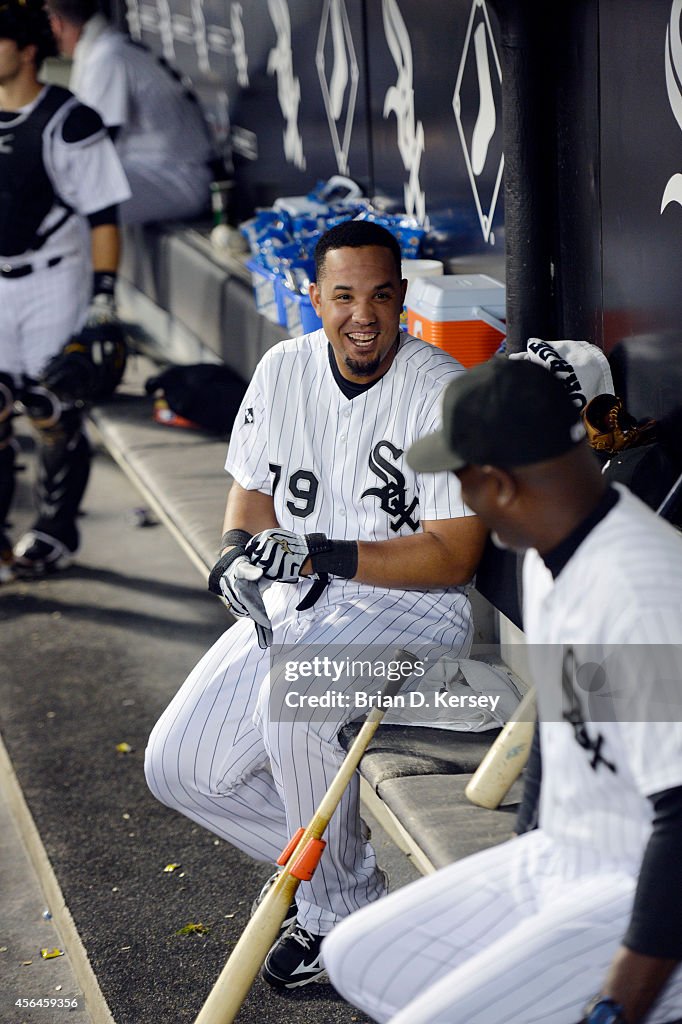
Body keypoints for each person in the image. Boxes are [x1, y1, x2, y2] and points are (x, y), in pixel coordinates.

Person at [144, 220, 488, 989]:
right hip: (299, 598)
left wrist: (326, 552)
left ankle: (340, 921)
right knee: (179, 768)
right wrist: (235, 554)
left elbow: (455, 555)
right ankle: (363, 896)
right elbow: (251, 497)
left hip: (414, 610)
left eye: (378, 296)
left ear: (401, 298)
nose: (361, 315)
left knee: (294, 702)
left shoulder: (441, 391)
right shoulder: (282, 367)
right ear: (315, 297)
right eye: (343, 295)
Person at [322, 356, 682, 1024]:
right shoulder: (555, 550)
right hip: (568, 856)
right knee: (357, 956)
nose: (460, 501)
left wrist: (617, 1008)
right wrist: (524, 859)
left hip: (641, 893)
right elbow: (560, 723)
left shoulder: (644, 590)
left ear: (497, 485)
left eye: (460, 481)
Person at [0, 0, 130, 578]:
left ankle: (55, 531)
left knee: (50, 407)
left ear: (27, 50)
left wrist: (103, 298)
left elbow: (105, 215)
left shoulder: (69, 118)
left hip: (54, 275)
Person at [45, 0, 214, 225]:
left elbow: (95, 144)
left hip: (177, 178)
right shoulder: (108, 47)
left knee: (60, 193)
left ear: (56, 23)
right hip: (154, 171)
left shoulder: (108, 55)